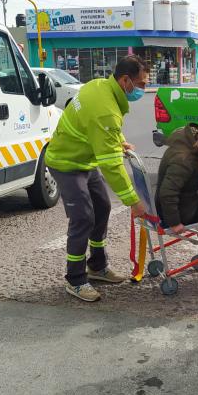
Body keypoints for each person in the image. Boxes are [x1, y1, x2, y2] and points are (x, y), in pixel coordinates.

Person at [44, 55, 149, 302]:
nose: (143, 89)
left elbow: (97, 128)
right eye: (142, 84)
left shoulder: (100, 85)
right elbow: (112, 165)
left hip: (84, 159)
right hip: (66, 162)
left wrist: (116, 141)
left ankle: (97, 267)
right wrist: (134, 202)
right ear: (126, 81)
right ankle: (76, 279)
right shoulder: (106, 111)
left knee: (102, 206)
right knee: (82, 217)